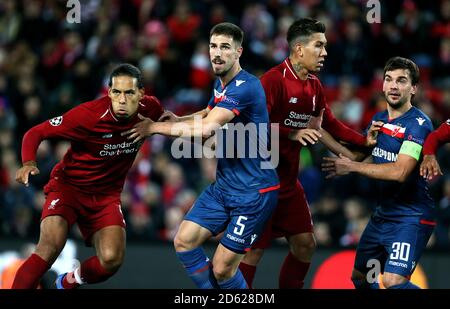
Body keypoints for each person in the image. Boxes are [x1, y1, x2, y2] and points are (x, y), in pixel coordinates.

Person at [123, 22, 279, 289]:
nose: (217, 53)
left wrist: (155, 128)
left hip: (254, 192)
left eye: (225, 48)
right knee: (183, 240)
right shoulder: (223, 84)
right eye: (213, 46)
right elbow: (208, 114)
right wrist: (179, 118)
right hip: (225, 185)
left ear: (238, 52)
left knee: (222, 269)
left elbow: (206, 128)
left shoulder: (246, 86)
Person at [238, 18, 375, 289]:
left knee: (305, 244)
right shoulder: (273, 80)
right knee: (253, 252)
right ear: (299, 49)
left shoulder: (314, 85)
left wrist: (363, 140)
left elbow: (328, 123)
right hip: (259, 184)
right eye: (319, 46)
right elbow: (251, 125)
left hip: (288, 184)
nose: (324, 52)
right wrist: (291, 132)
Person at [12, 63, 164, 289]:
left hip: (106, 196)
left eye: (129, 92)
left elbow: (172, 124)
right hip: (69, 188)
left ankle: (65, 283)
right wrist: (28, 163)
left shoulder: (151, 109)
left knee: (111, 260)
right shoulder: (87, 115)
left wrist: (202, 121)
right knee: (50, 246)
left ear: (141, 93)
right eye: (117, 92)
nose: (122, 99)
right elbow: (36, 132)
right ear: (109, 92)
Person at [322, 57, 435, 289]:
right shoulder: (379, 119)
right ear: (382, 85)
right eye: (389, 80)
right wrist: (320, 131)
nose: (393, 86)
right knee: (361, 277)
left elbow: (400, 172)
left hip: (410, 216)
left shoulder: (419, 124)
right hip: (382, 215)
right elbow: (355, 156)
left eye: (401, 81)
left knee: (393, 281)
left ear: (413, 88)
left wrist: (352, 168)